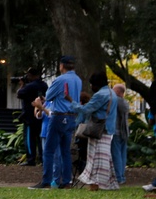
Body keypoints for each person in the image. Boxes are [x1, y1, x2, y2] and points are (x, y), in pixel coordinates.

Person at [30, 56, 82, 189]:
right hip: (71, 117)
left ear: (61, 66)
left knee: (48, 150)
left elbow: (49, 96)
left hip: (59, 116)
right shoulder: (78, 79)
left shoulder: (60, 79)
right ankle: (66, 181)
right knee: (65, 151)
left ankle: (46, 180)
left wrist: (42, 100)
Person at [71, 72, 119, 190]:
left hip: (98, 130)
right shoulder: (112, 93)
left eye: (92, 84)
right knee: (105, 158)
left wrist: (71, 102)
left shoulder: (100, 95)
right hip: (109, 129)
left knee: (95, 158)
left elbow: (86, 109)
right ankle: (108, 182)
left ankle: (95, 184)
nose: (91, 87)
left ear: (96, 84)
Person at [16, 68, 47, 166]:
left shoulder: (29, 86)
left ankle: (31, 159)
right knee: (40, 138)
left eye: (28, 75)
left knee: (29, 139)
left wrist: (22, 85)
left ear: (31, 75)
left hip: (29, 116)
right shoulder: (44, 85)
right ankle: (43, 159)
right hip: (41, 114)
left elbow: (19, 94)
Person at [111, 84, 129, 185]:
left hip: (116, 131)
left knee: (116, 154)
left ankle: (118, 177)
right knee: (122, 155)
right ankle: (121, 176)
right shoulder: (125, 102)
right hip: (124, 131)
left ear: (118, 92)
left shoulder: (115, 100)